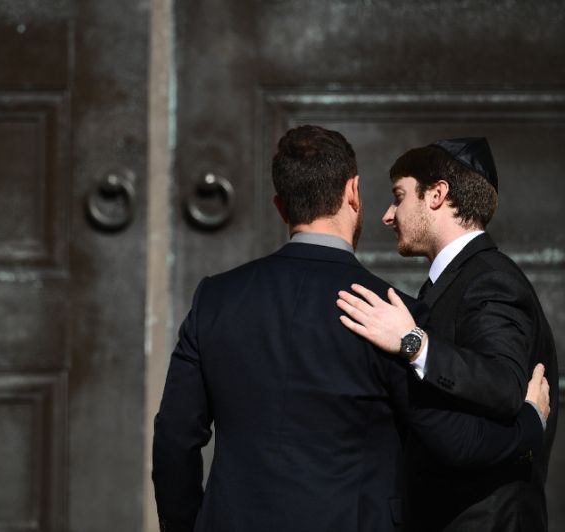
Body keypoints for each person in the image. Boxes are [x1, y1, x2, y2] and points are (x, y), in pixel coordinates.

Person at [152, 125, 550, 532]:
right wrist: (528, 424)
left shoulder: (215, 299)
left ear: (280, 207)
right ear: (353, 193)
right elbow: (453, 441)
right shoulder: (386, 313)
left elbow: (174, 438)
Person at [337, 137, 559, 531]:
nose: (388, 215)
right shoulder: (455, 282)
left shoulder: (490, 281)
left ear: (437, 195)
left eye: (399, 196)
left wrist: (411, 342)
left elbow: (504, 383)